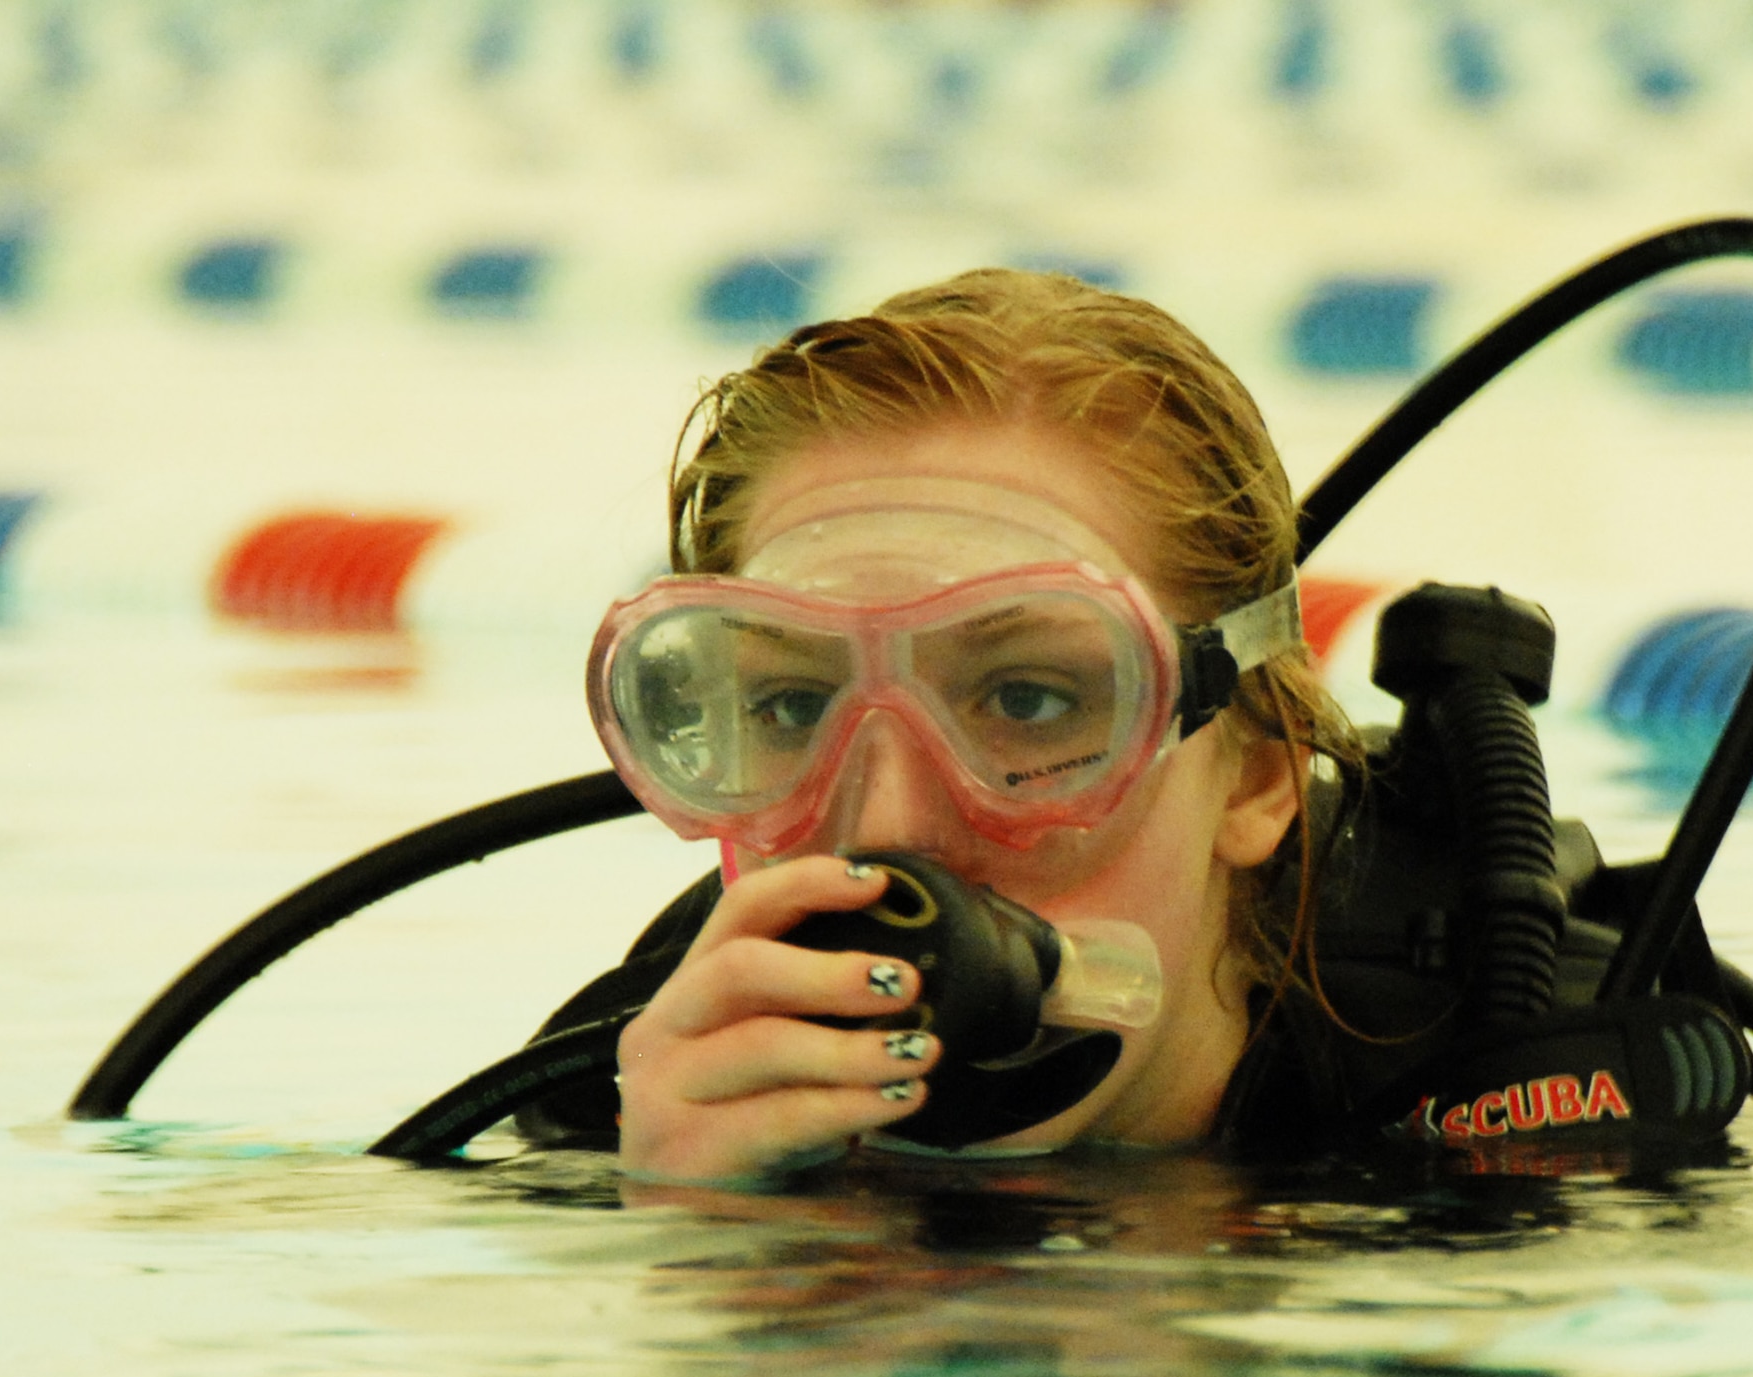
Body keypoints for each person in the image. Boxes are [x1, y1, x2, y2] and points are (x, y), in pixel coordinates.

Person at [538, 267, 1364, 1186]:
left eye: (1026, 701)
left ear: (1255, 776)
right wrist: (713, 1260)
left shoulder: (1497, 1123)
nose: (887, 831)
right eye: (795, 707)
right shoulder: (606, 1117)